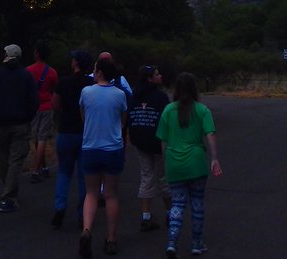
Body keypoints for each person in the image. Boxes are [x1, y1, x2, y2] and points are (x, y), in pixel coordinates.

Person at [156, 72, 222, 258]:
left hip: (174, 162)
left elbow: (163, 140)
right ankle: (196, 243)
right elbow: (210, 134)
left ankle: (172, 243)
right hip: (196, 162)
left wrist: (166, 160)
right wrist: (214, 158)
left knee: (177, 203)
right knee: (197, 202)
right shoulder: (202, 110)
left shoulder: (168, 110)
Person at [78, 56, 129, 257]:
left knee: (91, 193)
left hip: (90, 147)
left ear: (99, 72)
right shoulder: (120, 95)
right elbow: (123, 121)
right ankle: (111, 239)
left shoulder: (86, 92)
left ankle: (86, 230)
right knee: (110, 194)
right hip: (112, 149)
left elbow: (83, 117)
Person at [0, 43, 38, 213]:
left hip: (0, 123)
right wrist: (28, 117)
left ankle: (8, 190)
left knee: (3, 159)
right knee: (16, 160)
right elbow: (33, 100)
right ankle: (9, 196)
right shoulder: (26, 76)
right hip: (20, 124)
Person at [50, 49, 94, 229]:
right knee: (84, 176)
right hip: (86, 133)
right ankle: (82, 214)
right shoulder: (91, 84)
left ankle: (60, 207)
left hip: (66, 131)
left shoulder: (63, 82)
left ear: (75, 63)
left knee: (64, 172)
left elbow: (54, 105)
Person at [128, 65, 171, 232]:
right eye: (157, 74)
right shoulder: (161, 97)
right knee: (164, 177)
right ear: (150, 78)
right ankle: (170, 213)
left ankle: (146, 215)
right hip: (158, 141)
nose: (160, 76)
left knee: (146, 176)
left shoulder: (134, 96)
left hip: (141, 140)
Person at [27, 42, 60, 182]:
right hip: (47, 106)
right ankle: (43, 167)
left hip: (33, 107)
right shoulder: (52, 72)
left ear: (37, 54)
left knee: (37, 139)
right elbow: (55, 89)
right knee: (42, 138)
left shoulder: (28, 70)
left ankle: (35, 170)